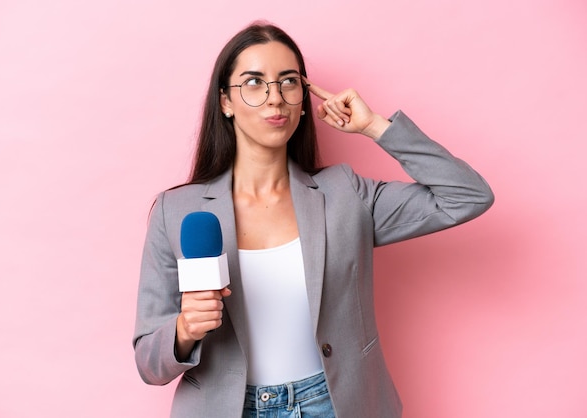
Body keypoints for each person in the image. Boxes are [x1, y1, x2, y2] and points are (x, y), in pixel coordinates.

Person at [133, 21, 494, 418]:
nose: (275, 98)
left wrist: (375, 126)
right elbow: (149, 364)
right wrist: (185, 331)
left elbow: (467, 196)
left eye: (288, 82)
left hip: (335, 404)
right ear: (225, 102)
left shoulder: (344, 194)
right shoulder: (177, 212)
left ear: (303, 99)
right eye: (254, 82)